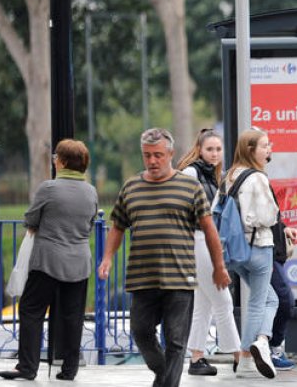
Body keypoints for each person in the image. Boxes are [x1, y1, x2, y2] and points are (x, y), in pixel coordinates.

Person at [98, 128, 230, 387]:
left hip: (179, 278)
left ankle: (166, 382)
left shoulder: (190, 186)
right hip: (141, 277)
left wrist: (219, 266)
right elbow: (117, 227)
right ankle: (163, 372)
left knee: (176, 341)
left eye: (158, 155)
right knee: (140, 332)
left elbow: (209, 229)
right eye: (147, 155)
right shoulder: (131, 187)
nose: (152, 161)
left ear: (170, 154)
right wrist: (107, 258)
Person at [0, 139, 98, 381]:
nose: (54, 160)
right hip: (79, 262)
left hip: (48, 261)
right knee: (73, 316)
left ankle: (27, 367)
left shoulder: (49, 188)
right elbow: (90, 224)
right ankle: (69, 369)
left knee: (31, 310)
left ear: (62, 162)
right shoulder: (91, 191)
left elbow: (31, 219)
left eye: (56, 157)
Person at [175, 130, 241, 377]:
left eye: (218, 149)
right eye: (209, 149)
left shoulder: (214, 176)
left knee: (203, 304)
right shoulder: (192, 173)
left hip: (205, 240)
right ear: (199, 150)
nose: (214, 154)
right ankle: (238, 355)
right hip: (196, 240)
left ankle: (196, 358)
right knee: (222, 299)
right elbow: (180, 207)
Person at [224, 129, 282, 379]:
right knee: (259, 303)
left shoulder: (229, 175)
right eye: (264, 146)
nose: (269, 150)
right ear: (251, 150)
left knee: (271, 299)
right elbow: (269, 216)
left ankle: (260, 342)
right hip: (259, 245)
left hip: (235, 250)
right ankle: (250, 354)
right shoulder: (257, 178)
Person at [268, 214, 297, 371]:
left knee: (272, 302)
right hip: (264, 252)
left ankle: (270, 349)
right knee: (284, 300)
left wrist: (284, 229)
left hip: (271, 253)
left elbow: (272, 219)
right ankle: (272, 350)